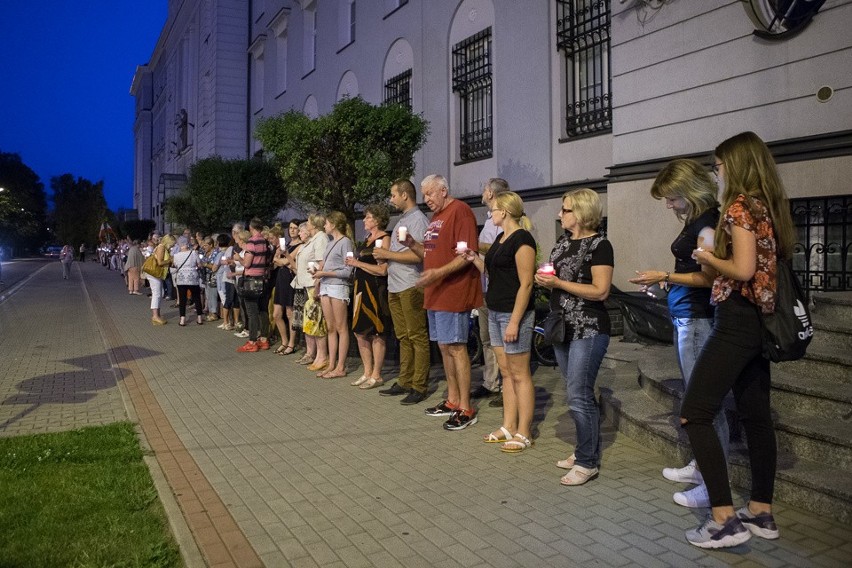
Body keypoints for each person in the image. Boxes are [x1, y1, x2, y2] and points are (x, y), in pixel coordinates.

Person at [680, 131, 794, 548]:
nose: (717, 171)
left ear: (737, 164)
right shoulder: (769, 205)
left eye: (719, 164)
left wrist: (709, 257)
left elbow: (743, 270)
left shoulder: (742, 206)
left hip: (737, 320)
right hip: (758, 320)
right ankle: (761, 511)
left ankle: (724, 520)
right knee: (755, 415)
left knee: (695, 411)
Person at [629, 159, 727, 509]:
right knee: (696, 399)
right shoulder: (698, 222)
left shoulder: (707, 225)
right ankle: (702, 467)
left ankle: (714, 483)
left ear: (689, 190)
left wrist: (663, 277)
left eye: (671, 198)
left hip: (699, 320)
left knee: (704, 405)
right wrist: (662, 284)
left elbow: (710, 278)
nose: (668, 205)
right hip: (688, 317)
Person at [537, 188, 613, 486]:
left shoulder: (600, 245)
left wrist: (558, 283)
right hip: (562, 327)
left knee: (578, 395)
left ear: (581, 212)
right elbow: (558, 279)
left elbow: (601, 291)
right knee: (577, 393)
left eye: (565, 209)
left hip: (589, 328)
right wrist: (545, 281)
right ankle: (585, 449)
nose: (560, 214)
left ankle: (587, 462)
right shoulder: (564, 242)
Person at [462, 192, 537, 452]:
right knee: (506, 373)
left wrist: (515, 321)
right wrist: (475, 260)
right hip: (494, 311)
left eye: (492, 210)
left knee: (520, 374)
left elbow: (526, 283)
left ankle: (524, 431)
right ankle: (508, 425)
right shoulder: (499, 238)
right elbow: (494, 274)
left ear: (504, 211)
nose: (490, 214)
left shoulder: (522, 240)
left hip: (513, 313)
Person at [409, 174, 483, 430]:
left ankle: (466, 407)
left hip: (453, 291)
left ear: (443, 190)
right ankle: (452, 400)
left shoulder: (460, 211)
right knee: (444, 347)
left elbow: (466, 256)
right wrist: (411, 243)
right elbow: (430, 254)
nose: (426, 199)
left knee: (456, 347)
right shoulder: (435, 218)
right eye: (424, 195)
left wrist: (438, 274)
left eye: (430, 194)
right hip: (436, 293)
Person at [373, 179, 431, 405]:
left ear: (405, 195)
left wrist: (388, 255)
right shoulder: (403, 220)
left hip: (410, 284)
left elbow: (419, 255)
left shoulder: (418, 220)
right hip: (395, 285)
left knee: (417, 335)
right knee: (403, 336)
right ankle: (405, 379)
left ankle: (419, 385)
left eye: (393, 195)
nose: (391, 199)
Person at [472, 178, 509, 405]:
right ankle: (490, 382)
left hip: (498, 286)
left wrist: (473, 244)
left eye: (484, 189)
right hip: (484, 284)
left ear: (491, 193)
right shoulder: (488, 219)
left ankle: (507, 387)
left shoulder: (504, 216)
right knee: (487, 339)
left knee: (502, 342)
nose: (482, 192)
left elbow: (500, 246)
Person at [346, 204, 392, 389]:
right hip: (360, 288)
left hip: (375, 289)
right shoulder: (366, 240)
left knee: (377, 331)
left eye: (368, 217)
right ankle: (366, 371)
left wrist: (357, 262)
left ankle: (377, 374)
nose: (364, 220)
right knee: (359, 331)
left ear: (378, 220)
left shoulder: (384, 239)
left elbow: (383, 270)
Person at [314, 211, 354, 379]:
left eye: (327, 223)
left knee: (341, 327)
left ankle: (340, 366)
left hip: (338, 286)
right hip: (325, 286)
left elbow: (348, 271)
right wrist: (318, 274)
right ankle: (331, 364)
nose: (324, 226)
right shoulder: (330, 243)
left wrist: (325, 273)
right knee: (330, 327)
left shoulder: (346, 242)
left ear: (334, 224)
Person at [295, 216, 329, 368]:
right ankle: (312, 353)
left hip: (314, 284)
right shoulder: (313, 239)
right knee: (310, 322)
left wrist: (317, 285)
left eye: (308, 222)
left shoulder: (321, 238)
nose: (306, 225)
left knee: (317, 320)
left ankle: (322, 356)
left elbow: (322, 263)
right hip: (306, 284)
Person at [236, 218, 272, 352]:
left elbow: (247, 263)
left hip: (251, 280)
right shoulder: (265, 241)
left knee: (252, 312)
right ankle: (264, 339)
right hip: (263, 279)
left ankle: (252, 341)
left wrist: (238, 258)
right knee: (263, 310)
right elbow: (268, 260)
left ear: (251, 228)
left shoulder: (252, 242)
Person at [273, 219, 303, 355]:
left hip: (291, 279)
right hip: (281, 278)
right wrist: (282, 260)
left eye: (295, 228)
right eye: (290, 227)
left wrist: (283, 261)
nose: (292, 230)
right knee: (276, 314)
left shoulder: (300, 245)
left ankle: (291, 343)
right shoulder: (286, 243)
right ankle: (284, 341)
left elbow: (286, 260)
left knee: (290, 313)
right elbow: (275, 260)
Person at [172, 236, 204, 326]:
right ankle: (199, 318)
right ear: (187, 243)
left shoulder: (176, 255)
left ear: (179, 244)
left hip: (181, 278)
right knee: (196, 297)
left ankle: (182, 319)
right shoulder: (194, 253)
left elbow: (175, 265)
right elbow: (200, 264)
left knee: (182, 299)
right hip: (193, 277)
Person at [147, 233, 174, 325]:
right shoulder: (161, 247)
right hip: (154, 273)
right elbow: (159, 262)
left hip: (156, 274)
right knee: (157, 293)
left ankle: (157, 314)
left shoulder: (162, 247)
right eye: (171, 244)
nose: (172, 246)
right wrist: (170, 260)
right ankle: (155, 316)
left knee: (160, 293)